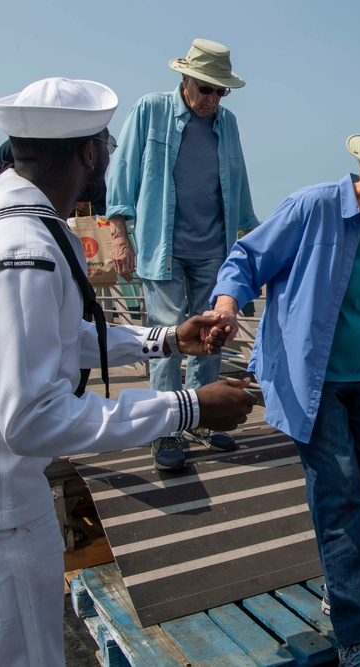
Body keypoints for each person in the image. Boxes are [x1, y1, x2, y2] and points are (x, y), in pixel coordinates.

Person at [0, 77, 257, 667]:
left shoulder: (10, 214)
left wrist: (163, 338)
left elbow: (55, 338)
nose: (111, 156)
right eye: (107, 145)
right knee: (20, 656)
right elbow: (36, 419)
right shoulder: (21, 251)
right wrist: (189, 407)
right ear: (91, 154)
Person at [206, 115, 360, 667]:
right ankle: (354, 635)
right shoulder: (311, 207)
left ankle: (342, 595)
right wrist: (224, 304)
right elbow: (245, 259)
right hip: (312, 381)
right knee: (340, 497)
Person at [106, 38, 260, 471]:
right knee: (166, 337)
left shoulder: (226, 123)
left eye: (221, 91)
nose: (213, 99)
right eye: (206, 88)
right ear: (185, 79)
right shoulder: (150, 110)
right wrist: (119, 234)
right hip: (162, 248)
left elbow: (240, 182)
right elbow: (122, 173)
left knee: (210, 336)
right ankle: (165, 426)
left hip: (214, 249)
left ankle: (203, 417)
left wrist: (253, 245)